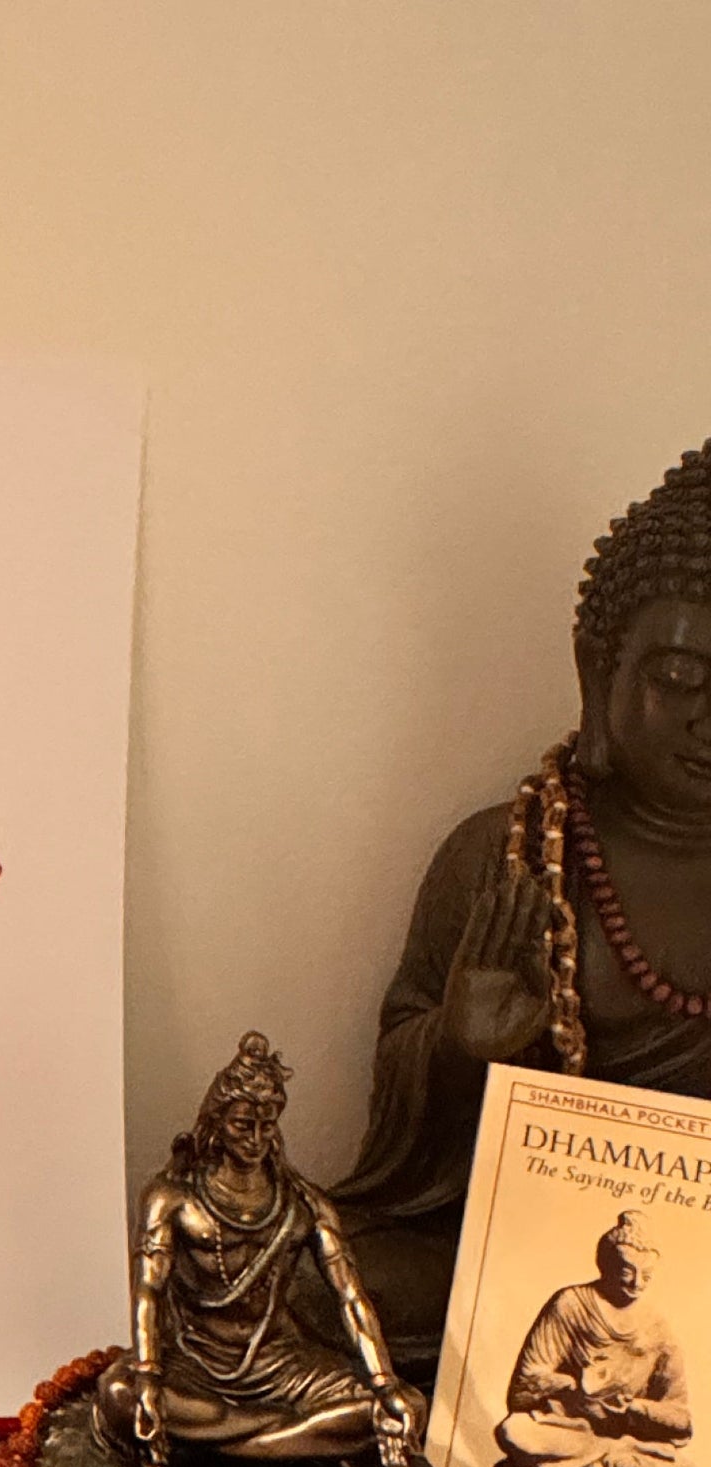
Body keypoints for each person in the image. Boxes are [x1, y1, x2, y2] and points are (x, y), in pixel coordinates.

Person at [338, 444, 711, 1375]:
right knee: (298, 1278)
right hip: (508, 1254)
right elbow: (401, 1146)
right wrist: (459, 1050)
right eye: (679, 677)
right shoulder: (504, 856)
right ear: (599, 670)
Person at [95, 1032, 425, 1467]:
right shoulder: (173, 1197)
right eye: (242, 1125)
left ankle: (226, 1450)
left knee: (405, 1406)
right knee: (119, 1393)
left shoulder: (303, 1204)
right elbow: (148, 1292)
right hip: (194, 1361)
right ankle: (293, 1441)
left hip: (281, 1365)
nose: (254, 1139)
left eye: (266, 1126)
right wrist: (151, 1377)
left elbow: (351, 1298)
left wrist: (385, 1385)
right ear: (217, 1121)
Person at [494, 1210, 708, 1467]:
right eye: (626, 1272)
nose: (636, 1284)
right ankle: (607, 1463)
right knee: (514, 1431)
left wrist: (635, 1408)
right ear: (605, 1264)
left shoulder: (658, 1329)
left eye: (646, 1276)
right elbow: (524, 1385)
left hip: (629, 1442)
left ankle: (606, 1459)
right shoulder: (571, 1304)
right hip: (569, 1430)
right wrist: (574, 1387)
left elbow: (681, 1419)